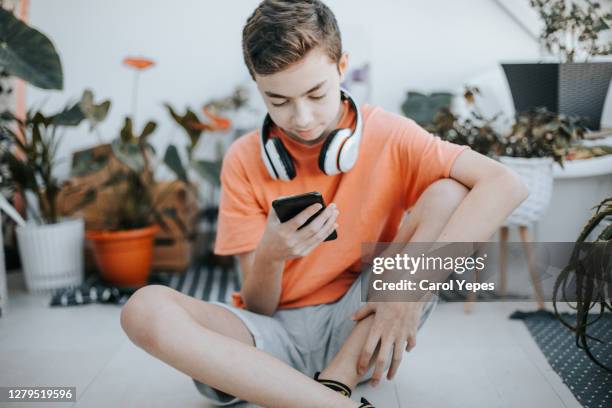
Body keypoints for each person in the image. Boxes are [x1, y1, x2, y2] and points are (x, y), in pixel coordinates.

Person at [120, 1, 529, 407]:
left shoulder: (390, 135)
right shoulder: (243, 159)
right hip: (268, 335)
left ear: (342, 67)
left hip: (362, 323)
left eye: (316, 93)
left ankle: (337, 381)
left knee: (449, 191)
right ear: (258, 87)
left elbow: (505, 184)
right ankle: (330, 400)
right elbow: (261, 305)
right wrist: (270, 255)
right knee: (144, 308)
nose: (301, 117)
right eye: (278, 101)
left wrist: (409, 294)